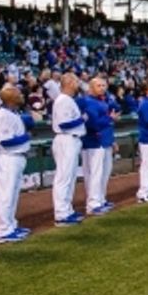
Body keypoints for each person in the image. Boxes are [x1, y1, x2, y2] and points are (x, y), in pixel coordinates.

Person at [0, 84, 34, 243]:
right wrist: (26, 137)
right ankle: (3, 231)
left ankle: (11, 225)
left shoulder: (12, 113)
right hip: (6, 158)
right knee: (5, 195)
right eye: (17, 93)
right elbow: (6, 141)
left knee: (12, 194)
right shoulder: (2, 116)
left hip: (15, 157)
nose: (21, 95)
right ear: (10, 98)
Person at [49, 72, 85, 225]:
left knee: (69, 177)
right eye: (76, 81)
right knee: (63, 177)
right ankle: (61, 213)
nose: (78, 84)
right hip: (66, 139)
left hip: (72, 139)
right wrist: (82, 119)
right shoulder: (63, 100)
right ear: (69, 83)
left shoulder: (68, 100)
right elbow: (64, 124)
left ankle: (67, 210)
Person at [78, 77, 116, 216]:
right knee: (93, 174)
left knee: (103, 173)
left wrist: (112, 140)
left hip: (104, 141)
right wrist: (110, 118)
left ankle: (100, 199)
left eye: (103, 85)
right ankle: (93, 204)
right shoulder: (87, 101)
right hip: (92, 141)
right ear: (91, 87)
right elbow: (93, 124)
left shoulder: (103, 101)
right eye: (99, 85)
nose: (102, 88)